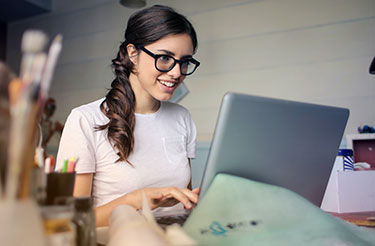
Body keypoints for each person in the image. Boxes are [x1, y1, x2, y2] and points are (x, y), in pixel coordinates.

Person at [56, 5, 201, 226]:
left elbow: (185, 200)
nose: (176, 72)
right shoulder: (85, 120)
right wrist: (135, 200)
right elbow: (71, 220)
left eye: (185, 62)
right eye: (164, 58)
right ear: (133, 53)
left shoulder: (182, 117)